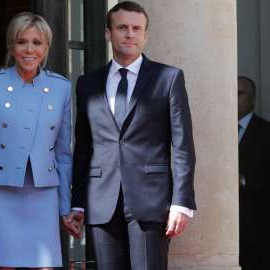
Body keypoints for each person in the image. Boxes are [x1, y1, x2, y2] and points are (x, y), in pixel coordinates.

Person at [69, 1, 196, 270]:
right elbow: (83, 148)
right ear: (108, 33)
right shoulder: (87, 83)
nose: (130, 34)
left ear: (146, 35)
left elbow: (183, 146)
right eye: (122, 27)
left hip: (152, 201)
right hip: (101, 202)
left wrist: (181, 203)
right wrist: (77, 202)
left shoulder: (169, 78)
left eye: (137, 28)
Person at [0, 12, 75, 270]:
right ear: (11, 45)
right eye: (22, 41)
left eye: (37, 43)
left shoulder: (61, 88)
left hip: (43, 195)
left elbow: (63, 155)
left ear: (46, 48)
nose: (29, 49)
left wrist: (65, 208)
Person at [238, 76, 270, 269]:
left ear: (252, 98)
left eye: (239, 93)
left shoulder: (266, 132)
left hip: (257, 224)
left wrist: (243, 180)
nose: (233, 98)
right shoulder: (215, 130)